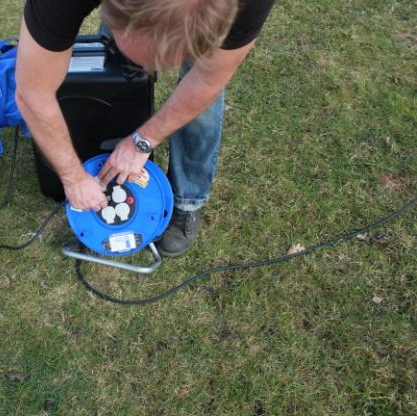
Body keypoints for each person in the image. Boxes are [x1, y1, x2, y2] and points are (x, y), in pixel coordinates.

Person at [15, 0, 275, 256]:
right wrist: (72, 176)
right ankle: (104, 157)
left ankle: (187, 200)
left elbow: (208, 81)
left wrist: (144, 140)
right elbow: (33, 92)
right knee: (116, 70)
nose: (157, 68)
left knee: (200, 93)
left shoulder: (248, 5)